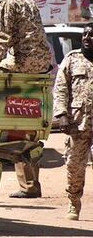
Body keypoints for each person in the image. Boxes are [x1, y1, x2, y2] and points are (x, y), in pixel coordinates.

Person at [0, 0, 52, 199]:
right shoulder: (26, 0)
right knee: (23, 128)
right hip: (41, 64)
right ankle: (30, 185)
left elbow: (2, 38)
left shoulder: (6, 2)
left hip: (23, 62)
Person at [55, 23, 93, 220]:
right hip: (78, 123)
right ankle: (73, 203)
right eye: (85, 34)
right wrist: (61, 115)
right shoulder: (72, 59)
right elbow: (61, 88)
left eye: (91, 35)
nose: (87, 38)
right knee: (74, 166)